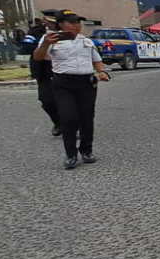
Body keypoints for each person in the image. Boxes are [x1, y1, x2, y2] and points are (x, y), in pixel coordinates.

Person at [32, 9, 111, 169]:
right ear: (61, 24)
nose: (77, 25)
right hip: (63, 83)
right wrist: (47, 43)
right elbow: (38, 57)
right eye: (73, 22)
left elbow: (96, 60)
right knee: (69, 117)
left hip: (86, 82)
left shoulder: (86, 41)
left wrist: (101, 71)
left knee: (87, 117)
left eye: (78, 22)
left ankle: (86, 150)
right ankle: (71, 154)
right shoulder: (51, 40)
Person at [29, 13, 62, 135]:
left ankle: (70, 125)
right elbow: (28, 49)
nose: (54, 25)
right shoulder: (35, 32)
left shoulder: (67, 34)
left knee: (67, 100)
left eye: (56, 22)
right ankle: (58, 122)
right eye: (51, 22)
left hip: (63, 67)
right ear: (45, 21)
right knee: (47, 100)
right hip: (44, 67)